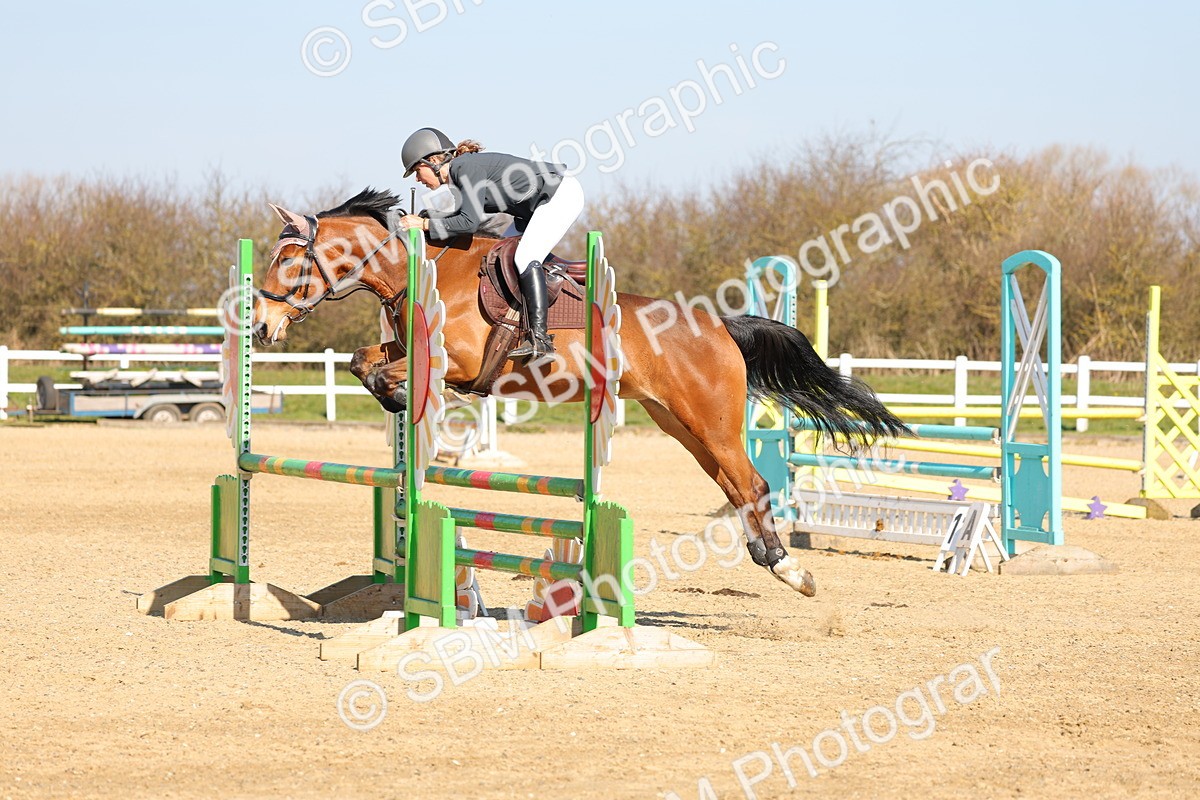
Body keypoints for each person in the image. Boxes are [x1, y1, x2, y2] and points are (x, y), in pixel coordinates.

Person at [397, 127, 584, 361]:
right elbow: (462, 218)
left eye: (417, 170)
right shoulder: (461, 174)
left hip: (559, 195)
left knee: (524, 257)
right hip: (531, 210)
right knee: (498, 254)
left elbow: (467, 223)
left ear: (433, 160)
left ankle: (540, 340)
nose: (417, 179)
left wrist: (424, 224)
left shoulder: (464, 168)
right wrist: (428, 219)